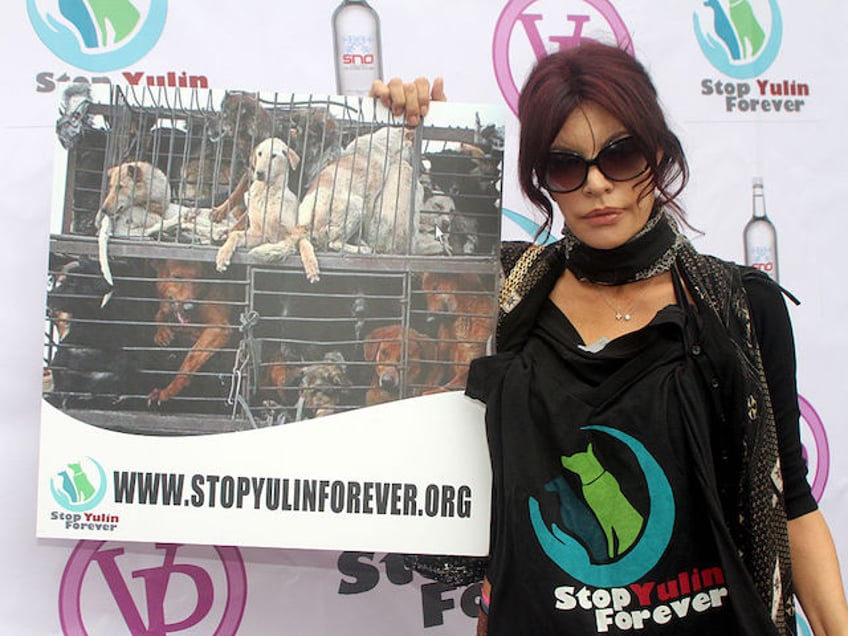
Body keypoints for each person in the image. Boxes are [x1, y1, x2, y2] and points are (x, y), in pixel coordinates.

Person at [371, 42, 848, 635]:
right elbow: (378, 304)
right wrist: (416, 140)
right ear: (543, 180)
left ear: (658, 152)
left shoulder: (739, 306)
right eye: (568, 165)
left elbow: (792, 505)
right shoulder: (497, 301)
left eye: (620, 156)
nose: (597, 185)